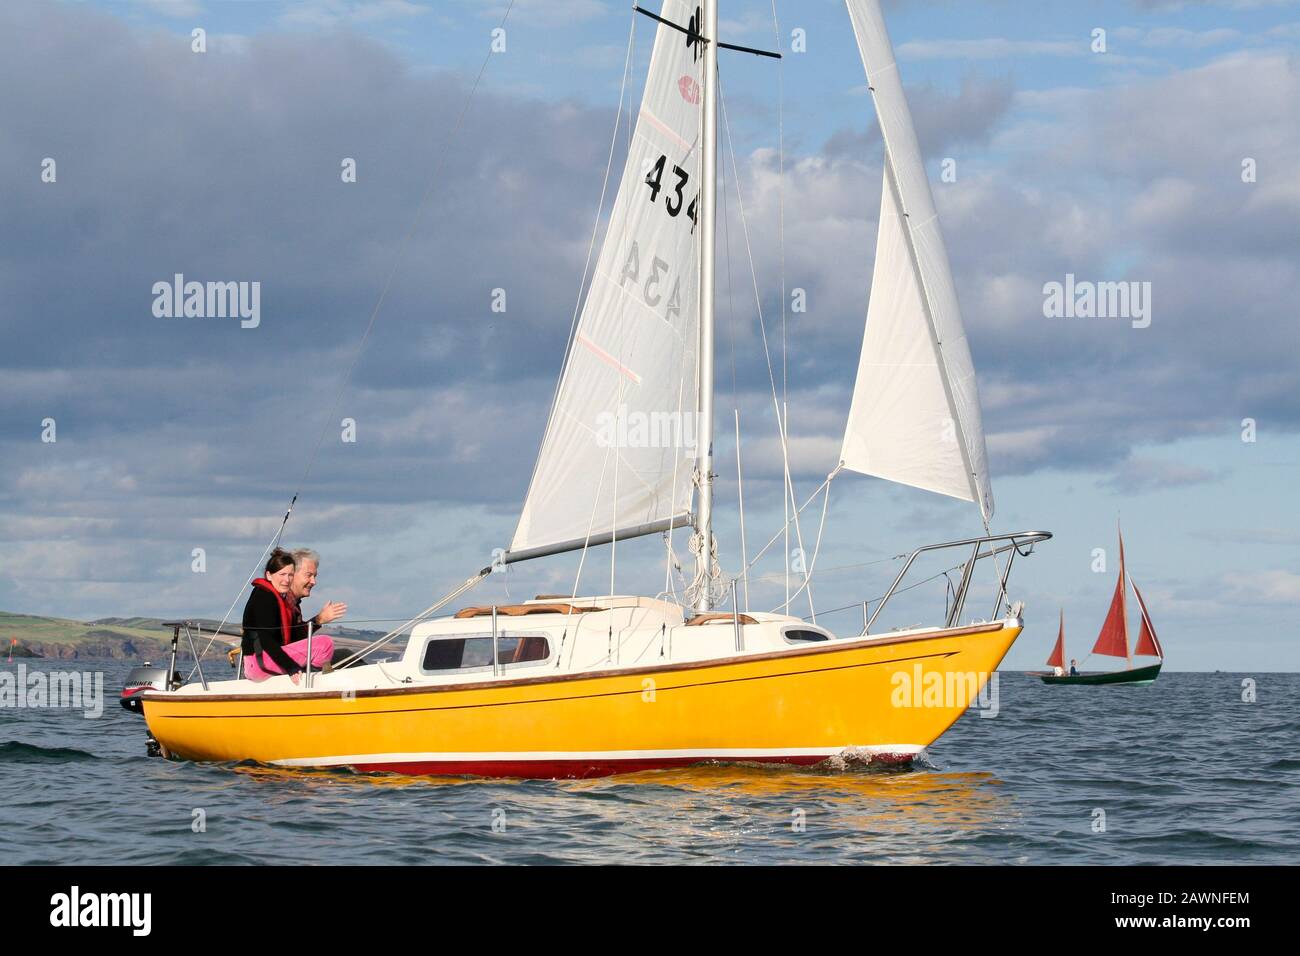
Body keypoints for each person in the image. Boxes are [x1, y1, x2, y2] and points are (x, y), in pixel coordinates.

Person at [241, 549, 334, 683]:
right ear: (269, 575)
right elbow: (266, 639)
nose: (286, 579)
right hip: (260, 661)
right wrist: (291, 668)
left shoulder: (283, 601)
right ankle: (314, 684)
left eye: (289, 575)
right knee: (325, 644)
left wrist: (318, 620)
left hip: (267, 660)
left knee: (343, 654)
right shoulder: (264, 597)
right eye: (282, 574)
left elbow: (294, 638)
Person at [286, 548, 358, 667]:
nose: (313, 581)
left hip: (291, 661)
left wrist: (318, 620)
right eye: (309, 575)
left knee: (346, 656)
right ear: (292, 574)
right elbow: (291, 640)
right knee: (346, 656)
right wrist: (318, 620)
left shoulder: (293, 602)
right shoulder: (283, 601)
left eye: (314, 576)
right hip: (285, 666)